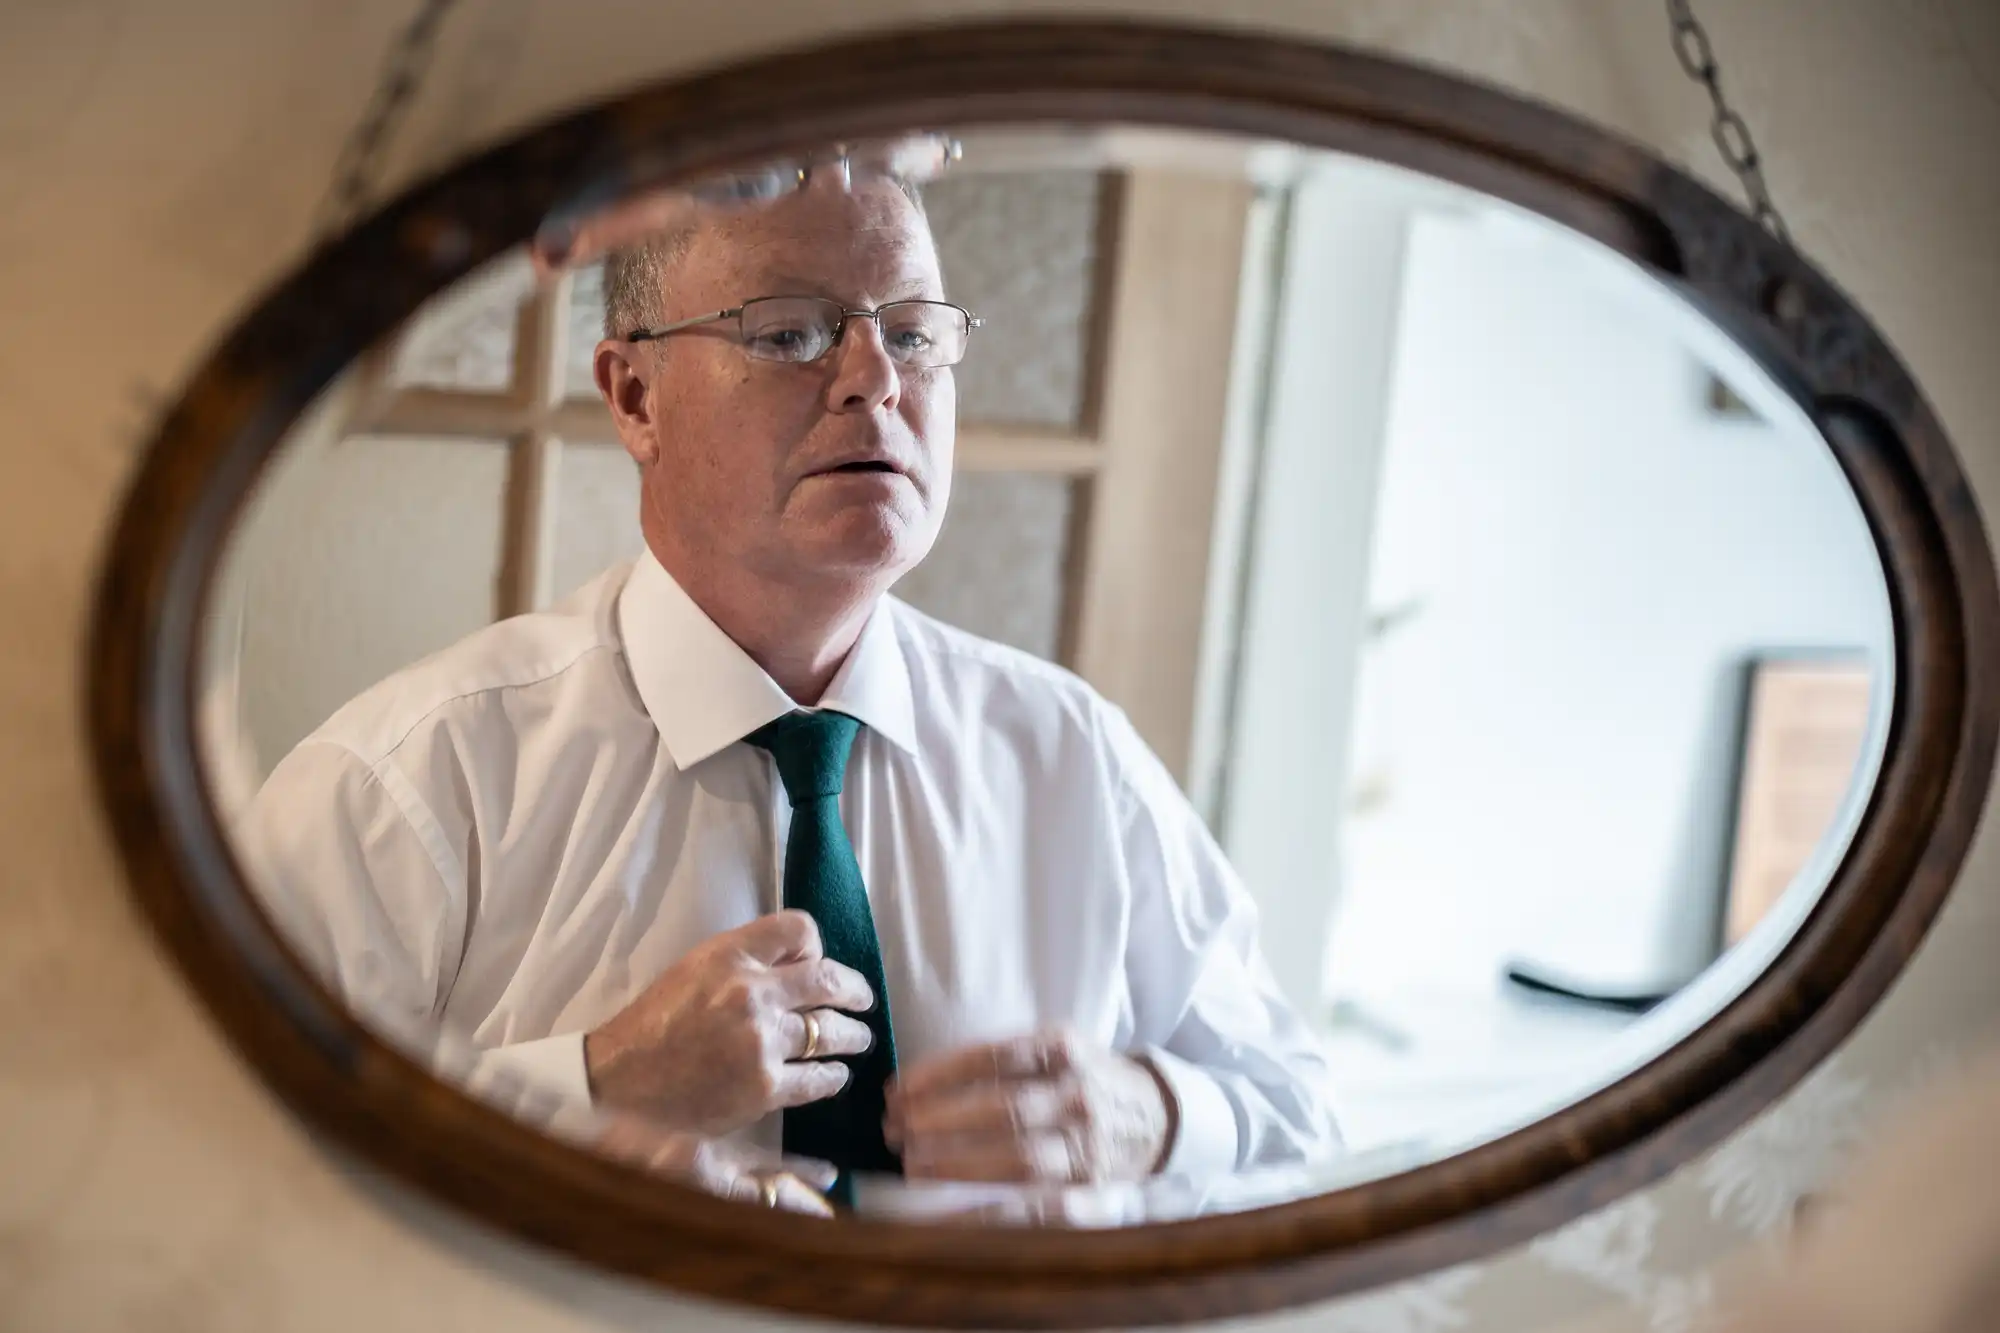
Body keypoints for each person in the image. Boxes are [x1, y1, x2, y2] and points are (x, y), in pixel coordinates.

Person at [239, 143, 1338, 1209]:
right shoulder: (410, 786)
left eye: (912, 335)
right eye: (788, 333)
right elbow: (203, 1158)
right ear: (633, 396)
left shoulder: (1068, 760)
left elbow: (1303, 1121)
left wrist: (1148, 1114)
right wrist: (587, 1090)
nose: (871, 382)